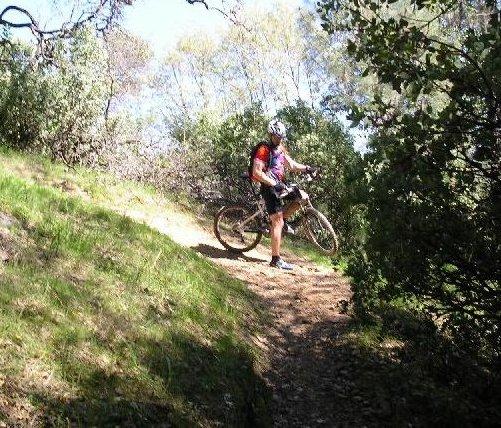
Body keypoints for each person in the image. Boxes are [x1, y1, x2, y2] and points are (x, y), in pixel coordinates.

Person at [251, 119, 314, 270]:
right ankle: (275, 259)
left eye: (281, 137)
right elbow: (256, 172)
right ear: (271, 134)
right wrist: (273, 183)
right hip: (269, 188)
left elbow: (291, 165)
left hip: (280, 186)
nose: (279, 139)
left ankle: (280, 222)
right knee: (277, 222)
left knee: (303, 197)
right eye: (276, 137)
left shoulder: (280, 149)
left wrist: (307, 168)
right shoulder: (264, 149)